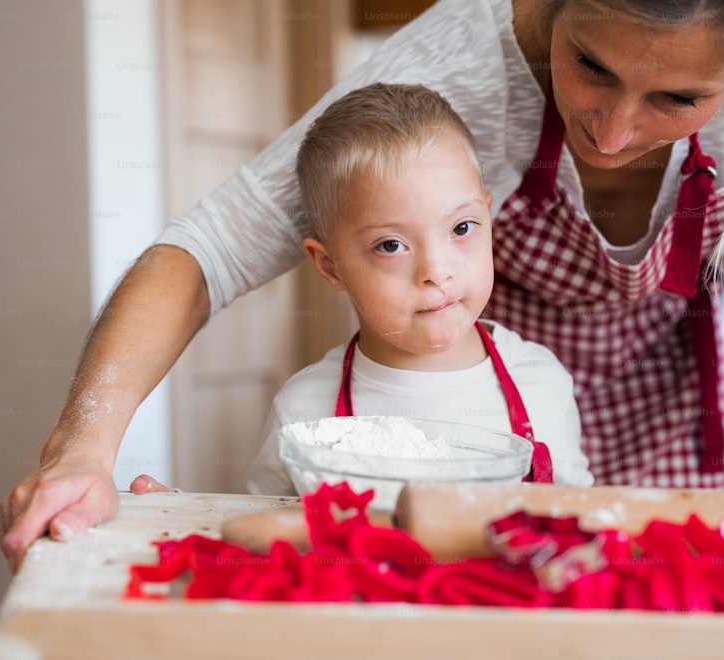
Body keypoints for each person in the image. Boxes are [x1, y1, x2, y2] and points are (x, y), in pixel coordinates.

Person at [0, 0, 724, 572]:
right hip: (457, 374)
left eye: (676, 98)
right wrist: (85, 451)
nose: (615, 131)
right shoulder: (455, 64)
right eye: (589, 65)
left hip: (665, 394)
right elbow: (208, 248)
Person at [246, 83, 594, 494]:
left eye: (461, 228)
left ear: (488, 215)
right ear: (331, 266)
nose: (436, 271)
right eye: (391, 245)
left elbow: (577, 519)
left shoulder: (541, 380)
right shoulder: (303, 412)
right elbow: (262, 533)